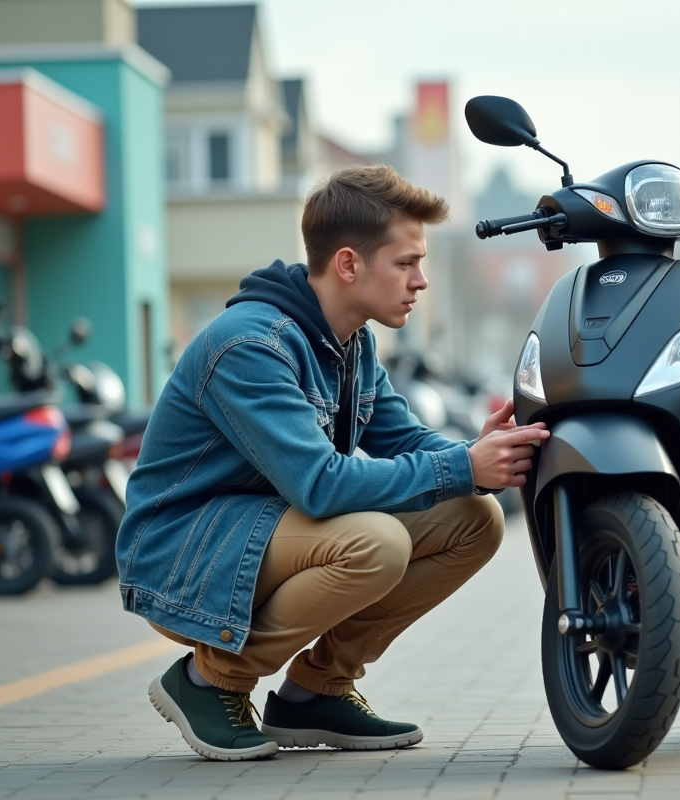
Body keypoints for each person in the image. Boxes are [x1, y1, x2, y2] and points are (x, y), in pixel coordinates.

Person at [116, 165, 549, 761]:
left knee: (474, 517)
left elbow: (402, 440)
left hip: (263, 528)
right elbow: (319, 486)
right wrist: (463, 467)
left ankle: (317, 690)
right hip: (187, 551)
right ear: (348, 264)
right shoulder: (250, 345)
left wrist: (477, 455)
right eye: (405, 263)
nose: (420, 281)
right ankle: (209, 682)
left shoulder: (351, 342)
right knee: (375, 543)